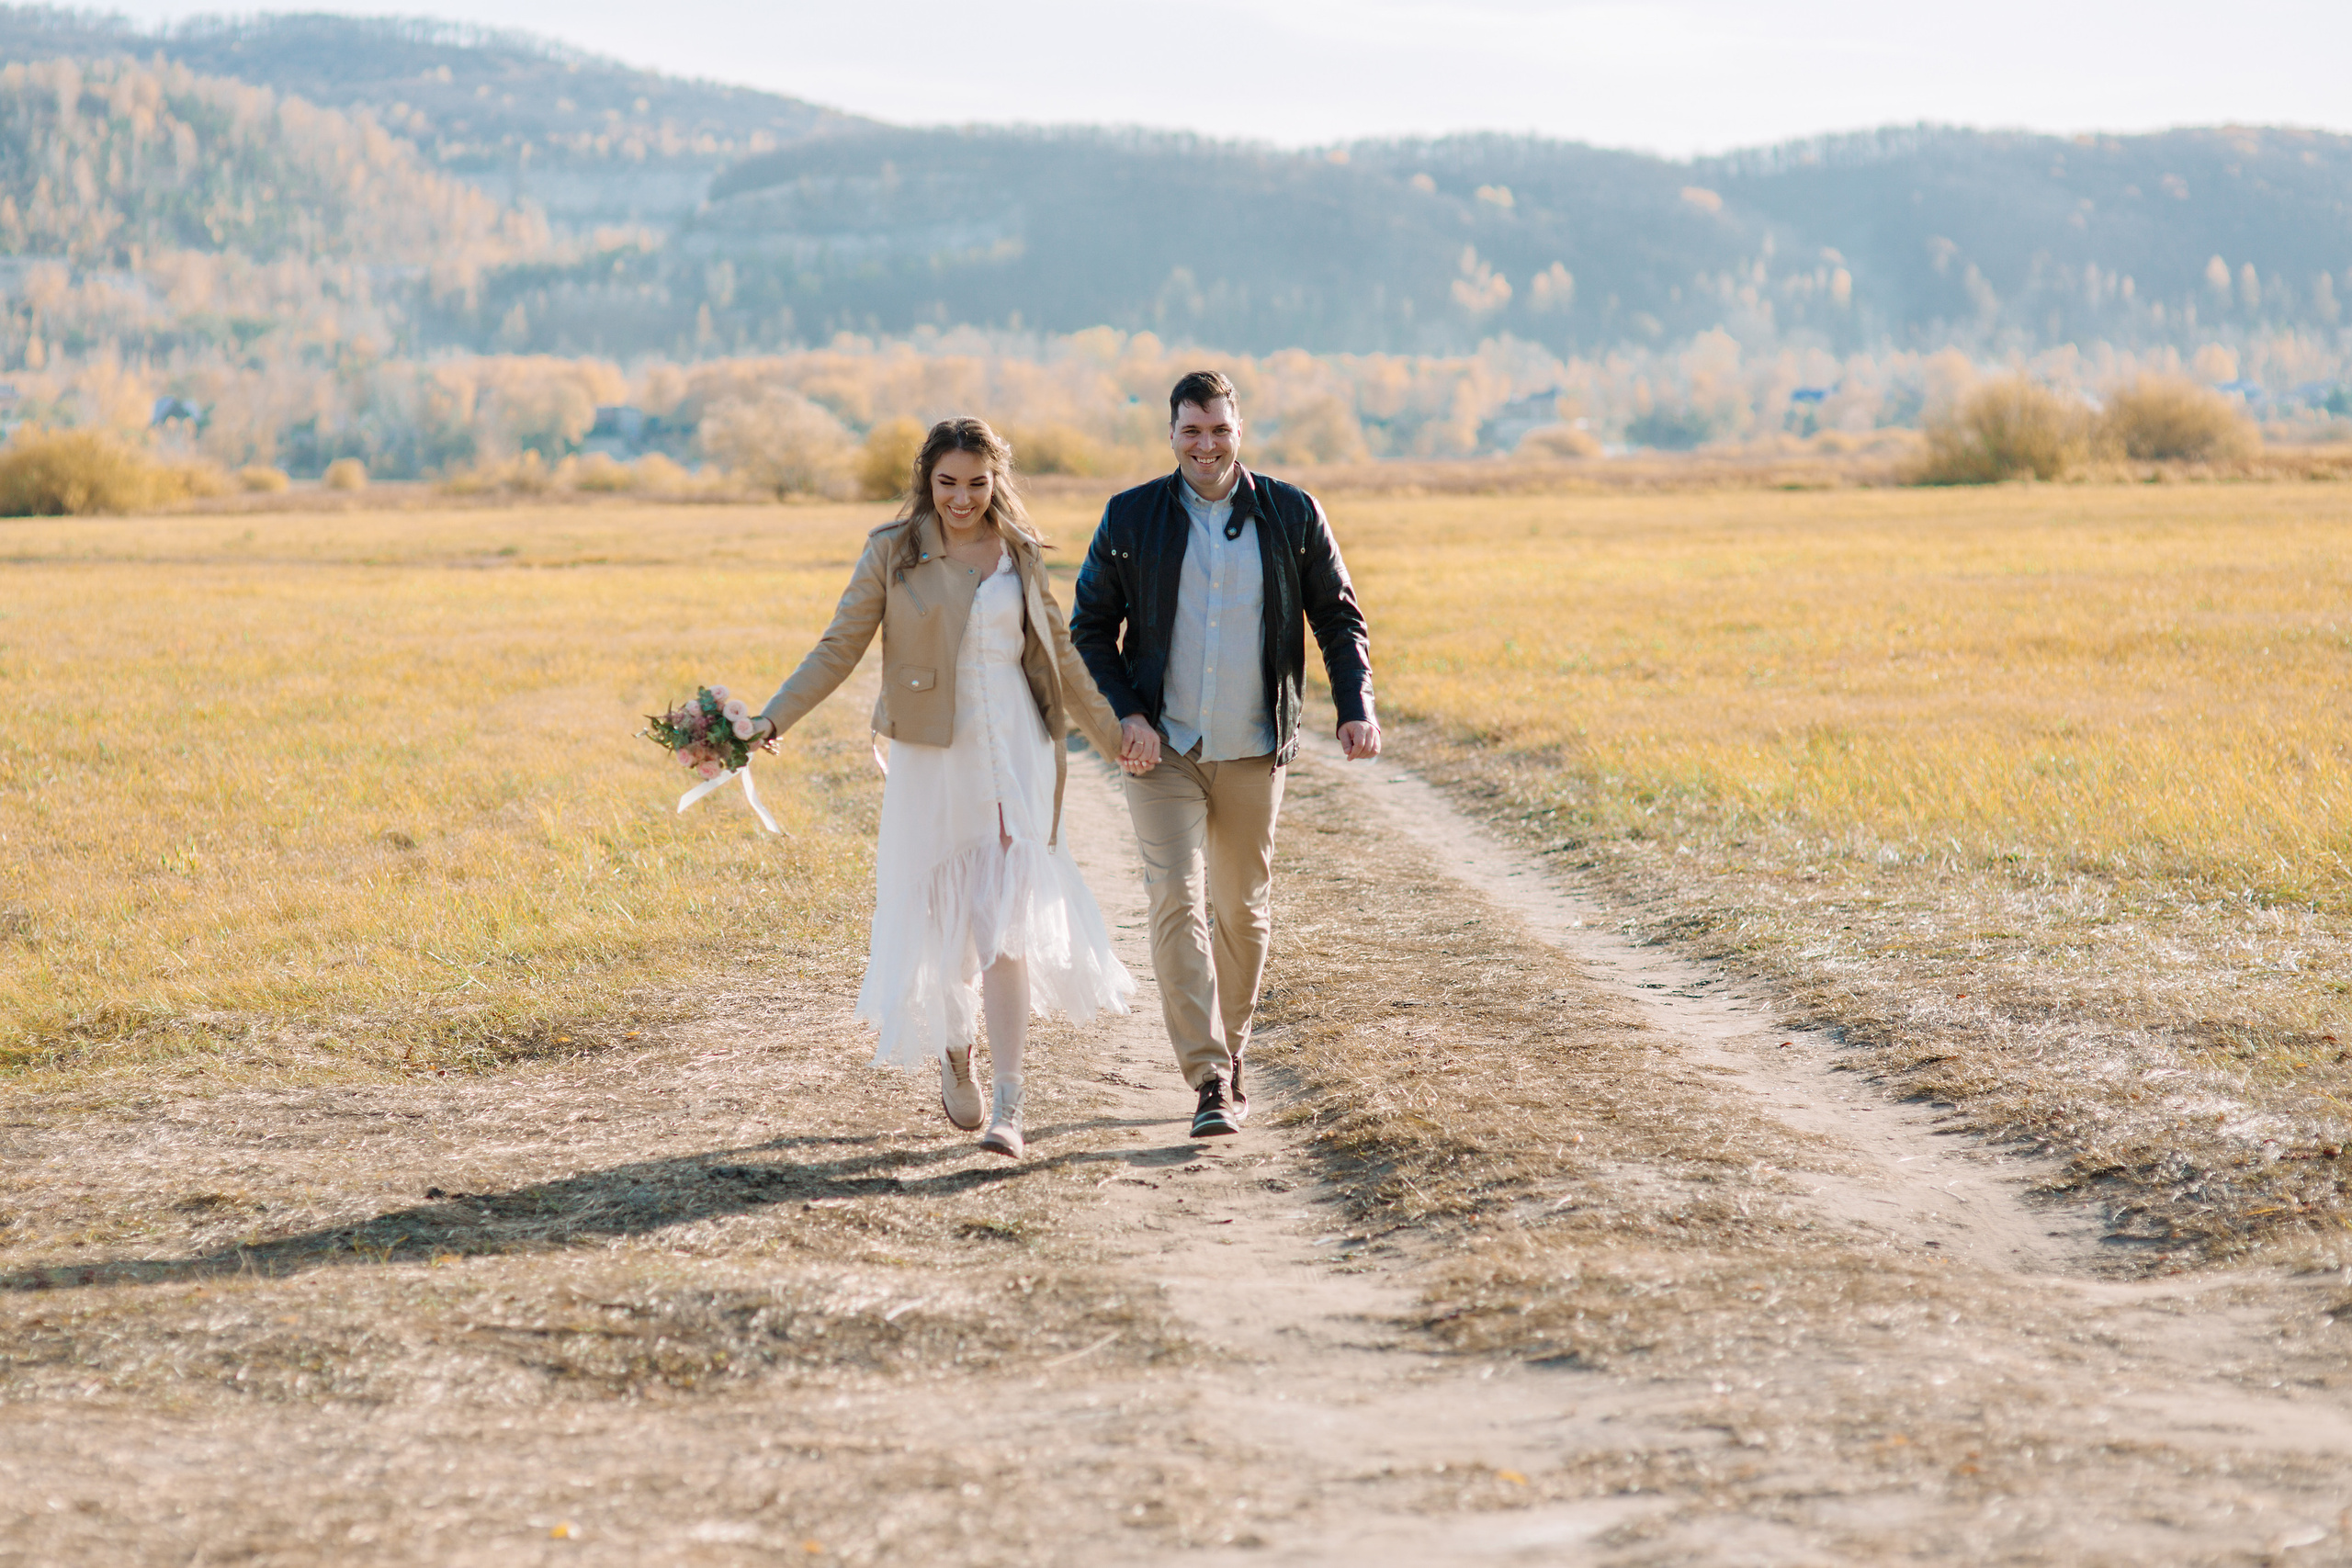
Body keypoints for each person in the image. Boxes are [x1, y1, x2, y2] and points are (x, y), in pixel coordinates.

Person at [742, 417, 1135, 1159]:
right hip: (935, 758)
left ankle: (1011, 1107)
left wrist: (1119, 740)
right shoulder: (893, 553)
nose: (962, 498)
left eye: (978, 482)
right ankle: (958, 1047)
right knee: (947, 922)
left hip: (1013, 753)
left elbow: (1060, 655)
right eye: (948, 482)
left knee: (1004, 924)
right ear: (927, 477)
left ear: (998, 479)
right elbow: (838, 647)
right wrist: (769, 719)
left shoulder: (1018, 550)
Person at [1071, 370, 1377, 1139]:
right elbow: (1089, 627)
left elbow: (1339, 619)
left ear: (1239, 431)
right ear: (1171, 435)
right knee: (1176, 901)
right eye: (1191, 432)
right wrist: (1128, 714)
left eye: (1218, 430)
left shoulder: (1292, 513)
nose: (1205, 446)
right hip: (1162, 749)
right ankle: (1208, 1076)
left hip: (1253, 745)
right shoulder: (1131, 516)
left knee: (1240, 908)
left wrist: (1354, 706)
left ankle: (1230, 1052)